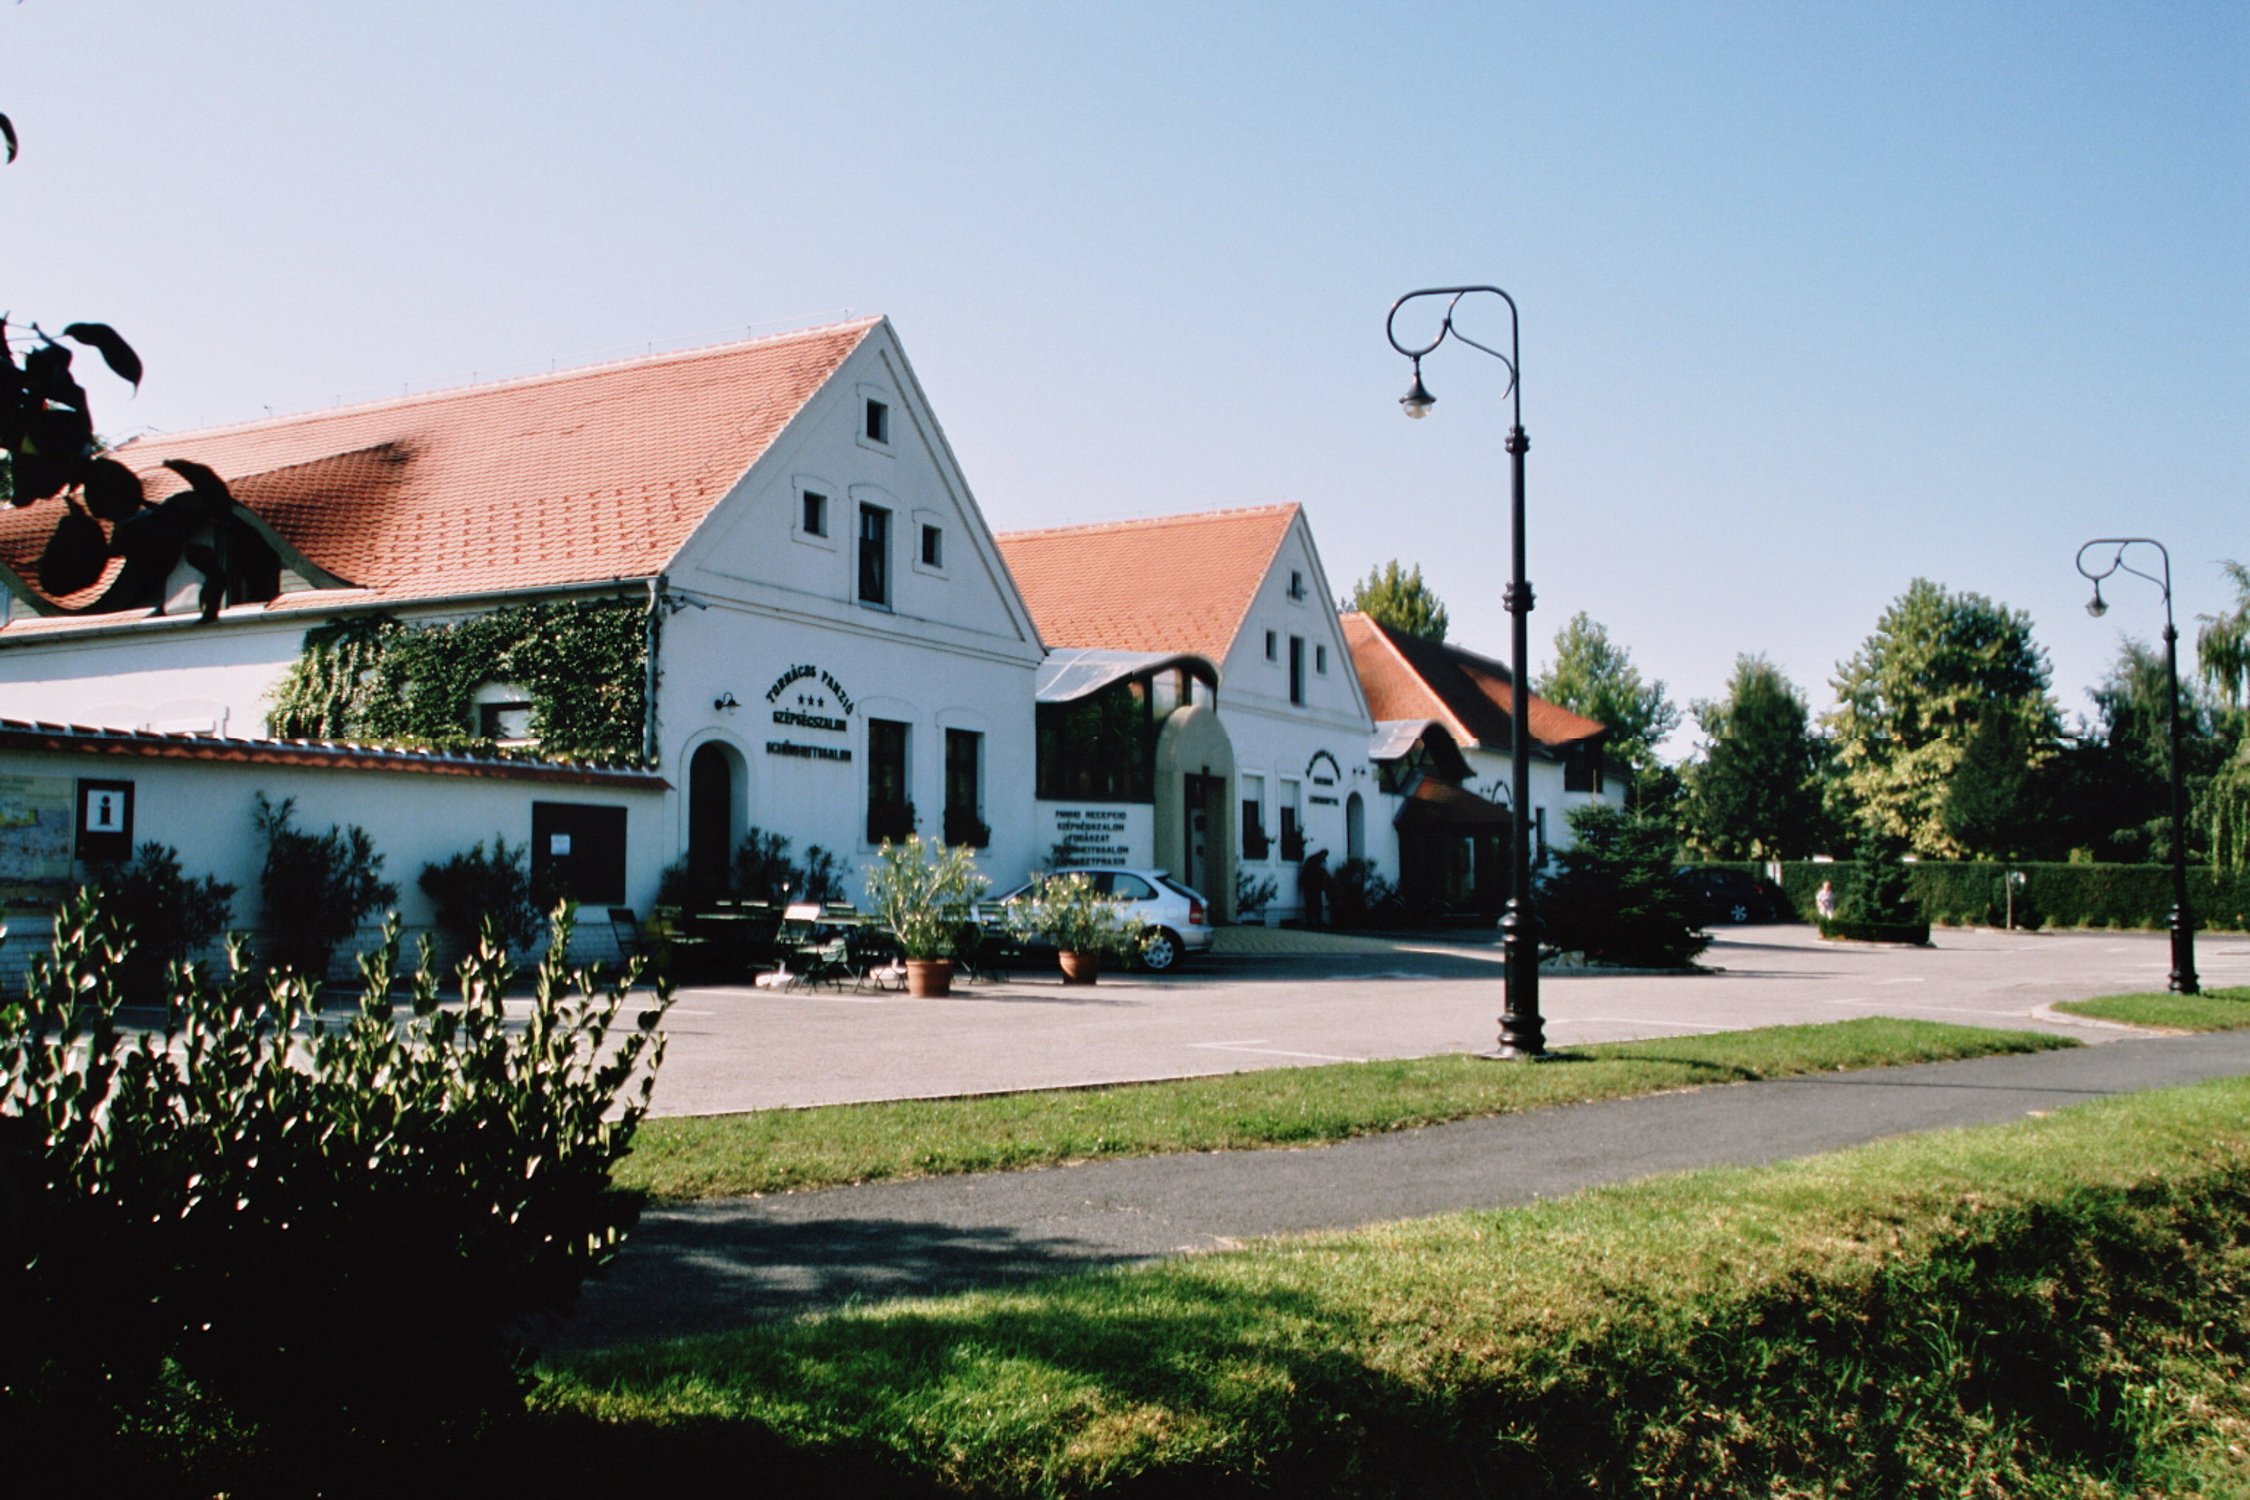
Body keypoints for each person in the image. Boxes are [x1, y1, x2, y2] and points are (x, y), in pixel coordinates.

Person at [1298, 848, 1329, 929]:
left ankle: (1310, 922)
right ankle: (1317, 922)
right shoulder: (1320, 861)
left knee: (1310, 905)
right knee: (1317, 905)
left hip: (1308, 886)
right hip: (1314, 886)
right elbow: (1323, 873)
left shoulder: (1311, 859)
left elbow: (1305, 872)